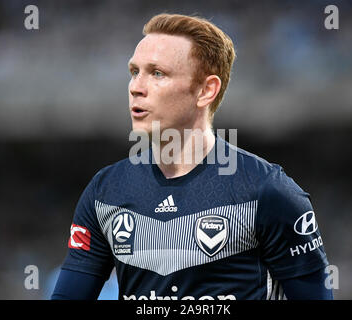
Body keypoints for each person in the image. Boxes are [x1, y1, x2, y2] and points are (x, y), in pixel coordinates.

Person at [51, 13, 332, 300]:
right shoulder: (105, 192)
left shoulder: (267, 191)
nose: (136, 87)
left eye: (157, 73)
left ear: (205, 90)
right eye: (135, 72)